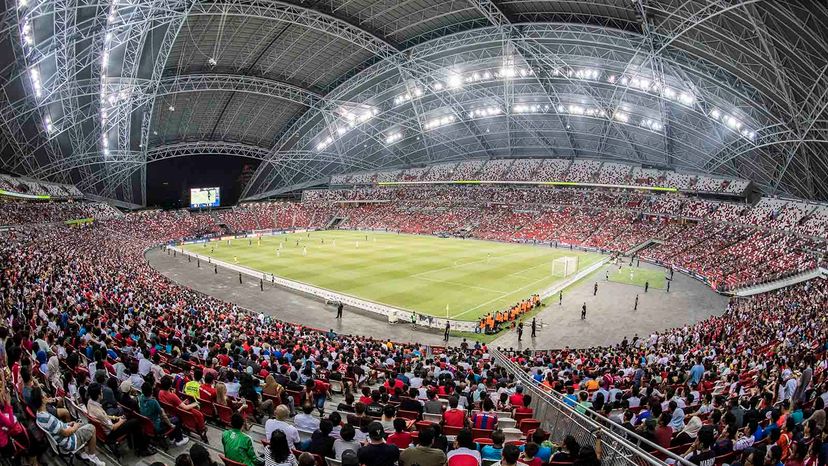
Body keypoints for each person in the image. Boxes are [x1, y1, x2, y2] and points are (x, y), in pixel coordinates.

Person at [32, 387, 106, 466]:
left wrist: (68, 424)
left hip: (63, 437)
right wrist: (75, 427)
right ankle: (92, 456)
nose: (46, 395)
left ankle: (83, 453)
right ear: (42, 399)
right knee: (92, 428)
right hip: (69, 442)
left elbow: (58, 428)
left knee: (82, 424)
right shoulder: (48, 418)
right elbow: (66, 433)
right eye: (43, 394)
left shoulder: (39, 414)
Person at [86, 383, 152, 456]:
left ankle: (136, 446)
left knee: (129, 419)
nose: (102, 393)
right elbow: (112, 428)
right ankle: (143, 449)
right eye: (101, 392)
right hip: (111, 433)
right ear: (98, 395)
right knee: (135, 422)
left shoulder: (90, 402)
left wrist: (117, 418)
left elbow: (105, 418)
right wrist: (122, 420)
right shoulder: (98, 412)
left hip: (105, 425)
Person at [139, 381, 188, 447]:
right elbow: (163, 416)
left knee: (169, 416)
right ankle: (179, 440)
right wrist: (170, 425)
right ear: (151, 391)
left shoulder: (141, 397)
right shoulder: (153, 401)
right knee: (176, 419)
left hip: (148, 423)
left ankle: (172, 438)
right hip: (156, 425)